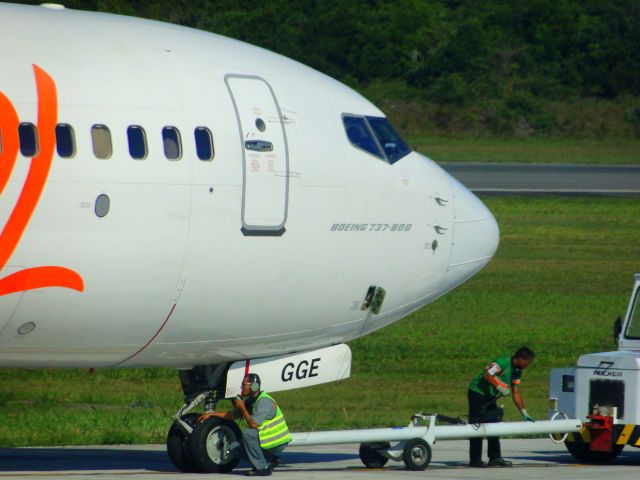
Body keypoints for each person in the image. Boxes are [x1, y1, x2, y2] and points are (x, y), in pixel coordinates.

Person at [198, 373, 291, 476]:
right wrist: (211, 414)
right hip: (266, 438)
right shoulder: (251, 401)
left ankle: (262, 468)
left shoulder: (264, 401)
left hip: (277, 440)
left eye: (244, 384)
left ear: (253, 386)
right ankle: (271, 459)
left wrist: (242, 407)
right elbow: (231, 415)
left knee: (248, 433)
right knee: (234, 448)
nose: (242, 387)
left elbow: (254, 425)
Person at [467, 346, 535, 468]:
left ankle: (495, 458)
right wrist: (499, 387)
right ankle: (475, 460)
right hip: (477, 393)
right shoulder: (503, 362)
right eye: (528, 362)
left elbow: (515, 391)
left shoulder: (517, 371)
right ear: (520, 358)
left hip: (490, 396)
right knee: (476, 425)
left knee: (494, 425)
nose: (528, 365)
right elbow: (487, 374)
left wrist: (523, 412)